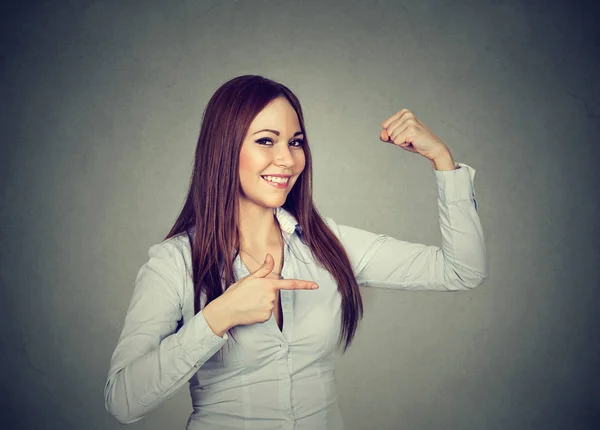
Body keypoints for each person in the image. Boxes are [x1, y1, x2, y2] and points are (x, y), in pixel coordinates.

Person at [104, 75, 488, 430]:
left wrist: (443, 161)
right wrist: (217, 317)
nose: (288, 159)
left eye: (296, 141)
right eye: (266, 141)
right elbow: (123, 401)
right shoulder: (174, 263)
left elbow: (461, 271)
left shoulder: (327, 244)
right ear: (224, 148)